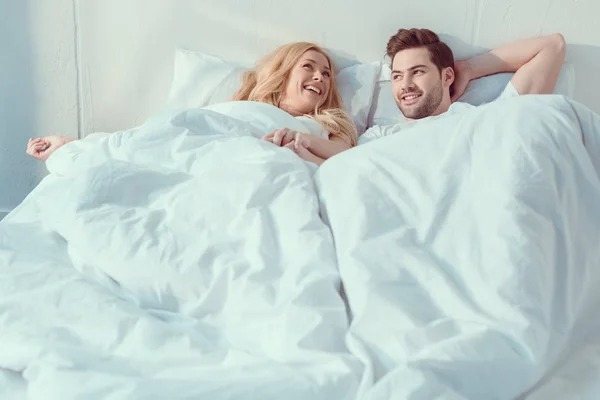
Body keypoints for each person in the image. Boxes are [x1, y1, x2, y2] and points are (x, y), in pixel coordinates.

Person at [27, 42, 357, 166]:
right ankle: (79, 147)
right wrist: (81, 145)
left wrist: (301, 141)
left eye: (327, 73)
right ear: (284, 73)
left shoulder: (327, 123)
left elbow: (346, 158)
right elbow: (165, 136)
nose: (320, 77)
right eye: (309, 67)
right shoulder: (242, 106)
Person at [358, 28, 566, 144]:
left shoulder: (484, 119)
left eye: (418, 72)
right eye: (397, 76)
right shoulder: (379, 136)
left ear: (447, 76)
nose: (405, 85)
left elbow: (552, 46)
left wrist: (468, 68)